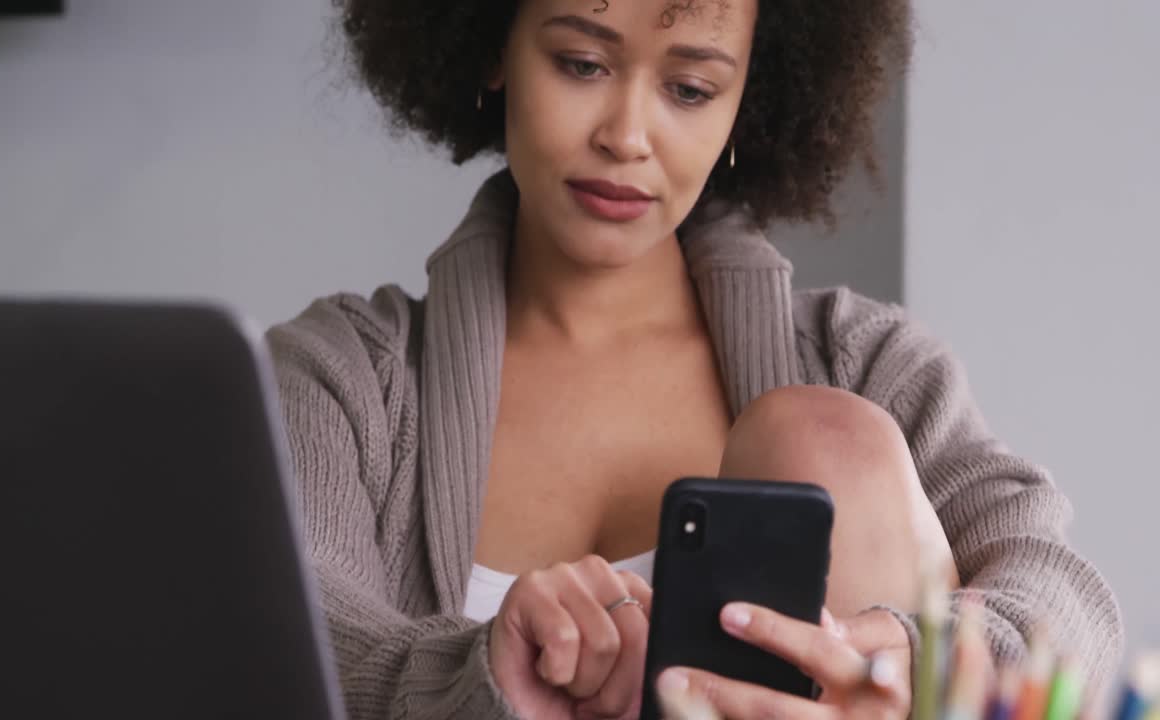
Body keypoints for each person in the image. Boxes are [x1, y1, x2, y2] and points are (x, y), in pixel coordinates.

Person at [268, 1, 1123, 718]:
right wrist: (483, 674)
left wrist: (915, 651)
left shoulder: (868, 366)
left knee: (824, 439)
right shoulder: (343, 380)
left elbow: (1065, 597)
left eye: (689, 88)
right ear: (496, 47)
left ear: (747, 95)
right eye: (580, 63)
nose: (628, 136)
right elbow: (278, 640)